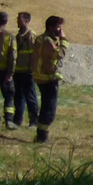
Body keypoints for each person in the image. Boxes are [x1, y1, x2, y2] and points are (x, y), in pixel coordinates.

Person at [31, 14, 69, 143]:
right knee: (49, 108)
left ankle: (41, 134)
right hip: (48, 78)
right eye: (58, 27)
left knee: (46, 106)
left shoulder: (41, 39)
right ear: (51, 27)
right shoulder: (47, 41)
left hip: (41, 76)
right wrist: (63, 39)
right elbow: (59, 54)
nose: (60, 30)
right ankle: (42, 137)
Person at [10, 12, 38, 131]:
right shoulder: (18, 36)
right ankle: (17, 120)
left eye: (19, 19)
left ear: (26, 21)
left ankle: (34, 121)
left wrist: (32, 69)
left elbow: (34, 54)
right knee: (18, 96)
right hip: (18, 71)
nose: (17, 21)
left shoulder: (31, 35)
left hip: (27, 71)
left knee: (30, 97)